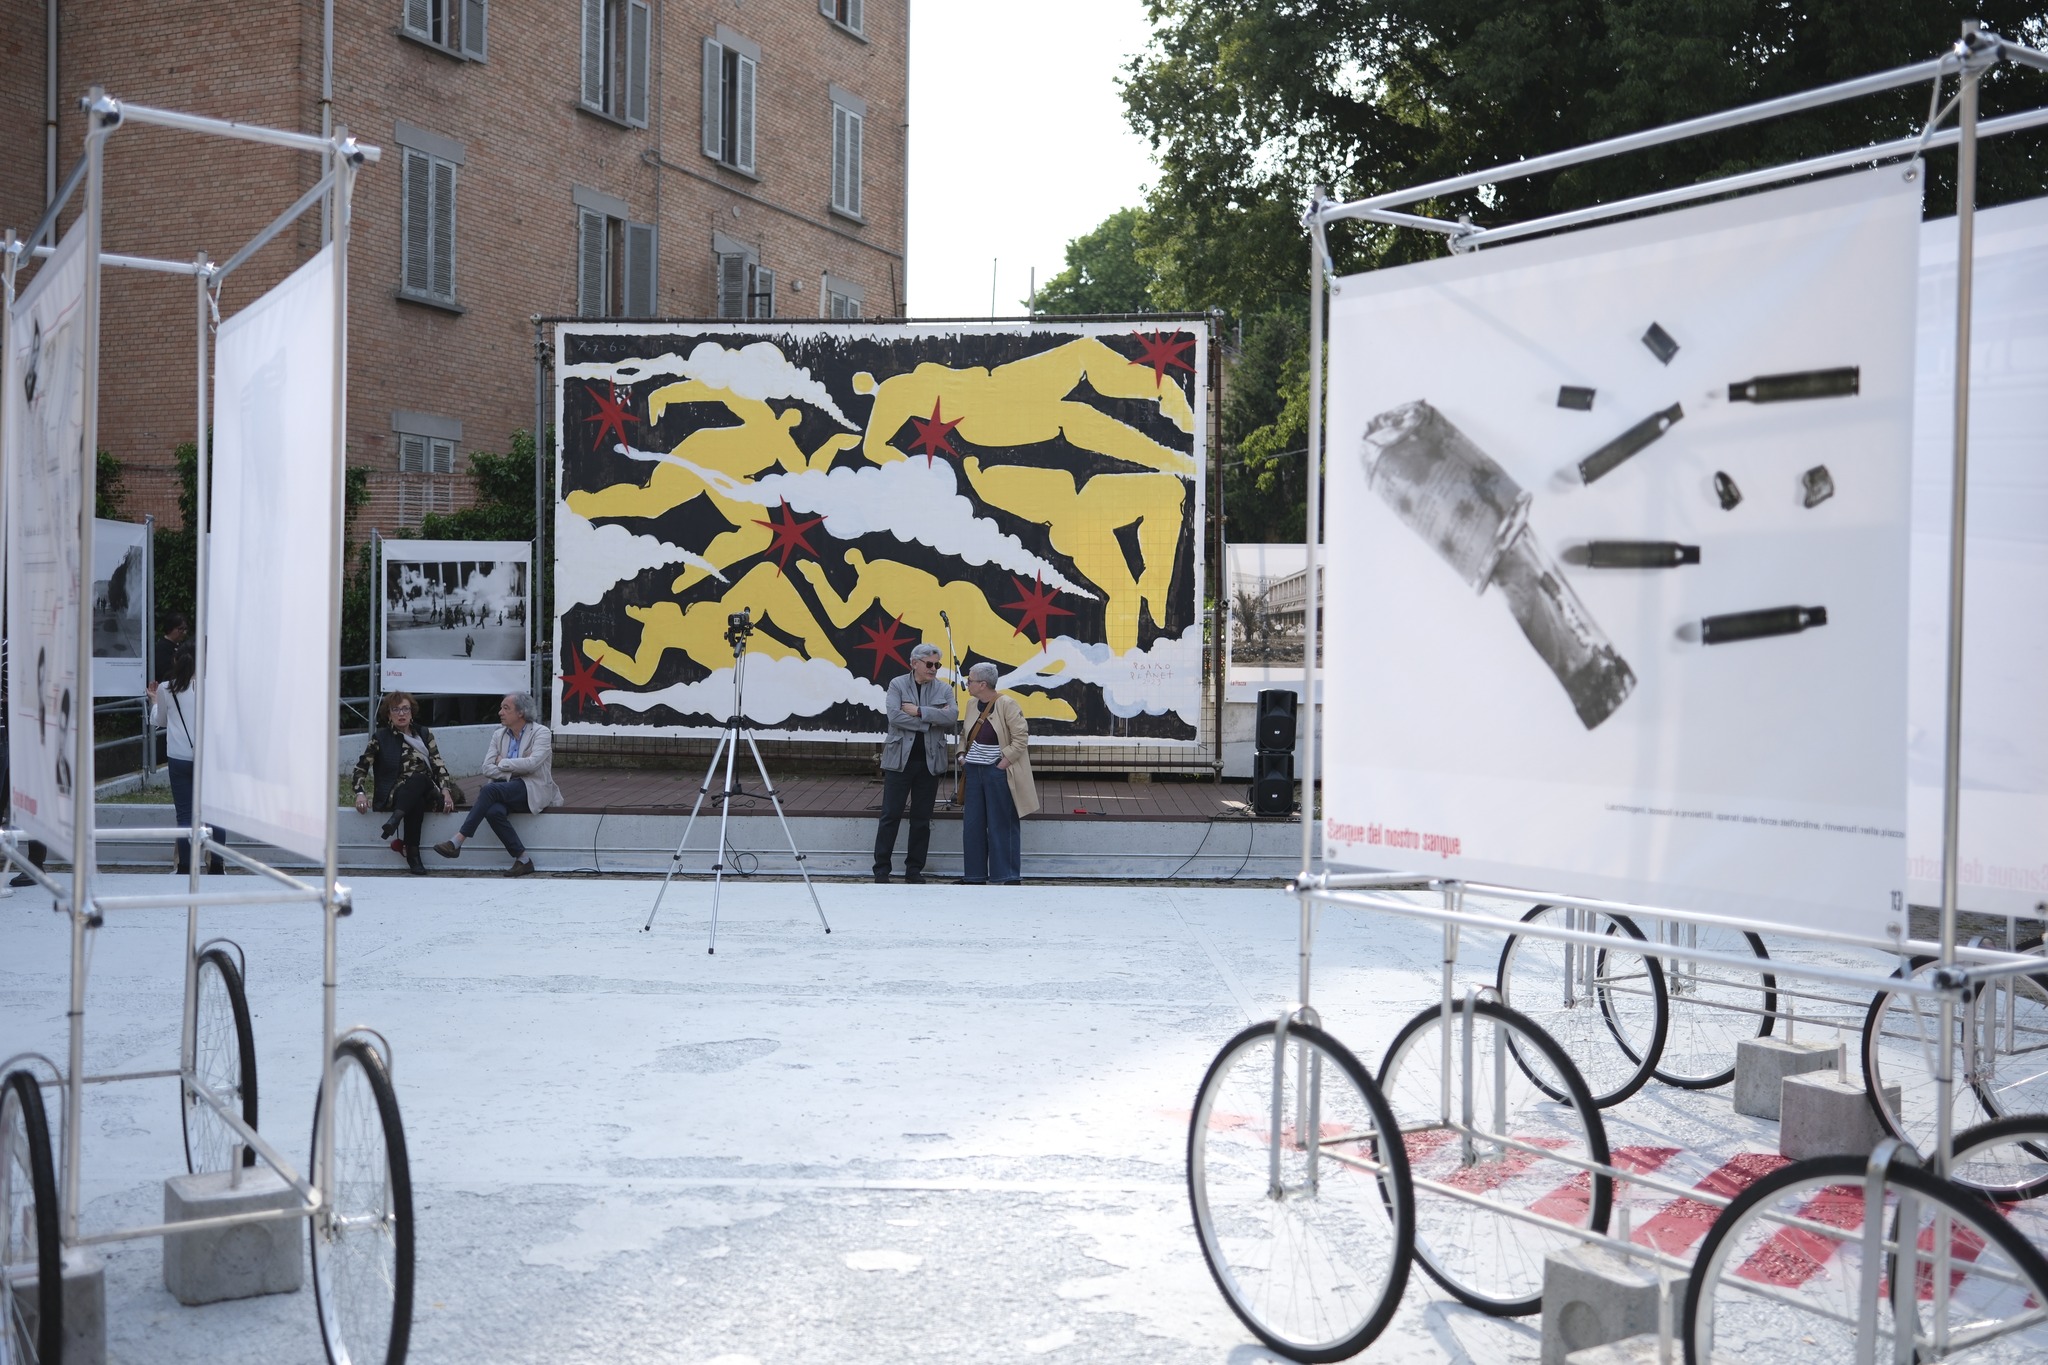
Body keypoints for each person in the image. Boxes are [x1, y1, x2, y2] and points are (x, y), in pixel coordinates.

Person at [435, 692, 559, 876]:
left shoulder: (541, 732)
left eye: (506, 708)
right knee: (493, 812)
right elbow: (486, 768)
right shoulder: (498, 735)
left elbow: (533, 764)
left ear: (521, 712)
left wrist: (503, 762)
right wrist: (516, 767)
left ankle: (458, 840)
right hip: (505, 788)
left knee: (489, 790)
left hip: (531, 788)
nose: (500, 712)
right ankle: (524, 859)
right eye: (501, 708)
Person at [873, 643, 957, 884]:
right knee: (890, 815)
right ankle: (881, 869)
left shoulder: (944, 688)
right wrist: (931, 720)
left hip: (930, 763)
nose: (934, 669)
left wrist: (919, 711)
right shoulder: (897, 684)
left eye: (937, 664)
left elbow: (952, 716)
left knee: (921, 819)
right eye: (929, 664)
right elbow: (894, 717)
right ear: (914, 663)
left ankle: (914, 870)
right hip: (899, 761)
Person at [350, 691, 455, 875]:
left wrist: (446, 791)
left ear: (411, 712)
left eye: (405, 709)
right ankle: (413, 856)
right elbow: (361, 767)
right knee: (417, 801)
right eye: (396, 710)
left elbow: (438, 764)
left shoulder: (424, 734)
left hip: (430, 790)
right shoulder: (380, 737)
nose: (401, 714)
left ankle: (396, 819)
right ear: (388, 714)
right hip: (396, 792)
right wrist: (360, 793)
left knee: (419, 778)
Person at [959, 662, 1038, 885]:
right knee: (972, 825)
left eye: (970, 680)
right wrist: (961, 755)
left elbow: (1020, 739)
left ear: (983, 684)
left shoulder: (1007, 704)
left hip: (996, 772)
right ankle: (974, 876)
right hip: (973, 771)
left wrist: (1002, 764)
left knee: (1001, 823)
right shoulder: (971, 704)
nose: (967, 684)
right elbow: (965, 734)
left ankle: (1007, 876)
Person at [149, 644, 225, 875]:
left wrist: (154, 703)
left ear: (177, 661)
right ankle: (217, 866)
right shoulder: (215, 686)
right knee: (215, 814)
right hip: (209, 759)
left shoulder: (166, 688)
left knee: (184, 815)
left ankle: (184, 867)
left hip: (179, 757)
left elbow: (160, 720)